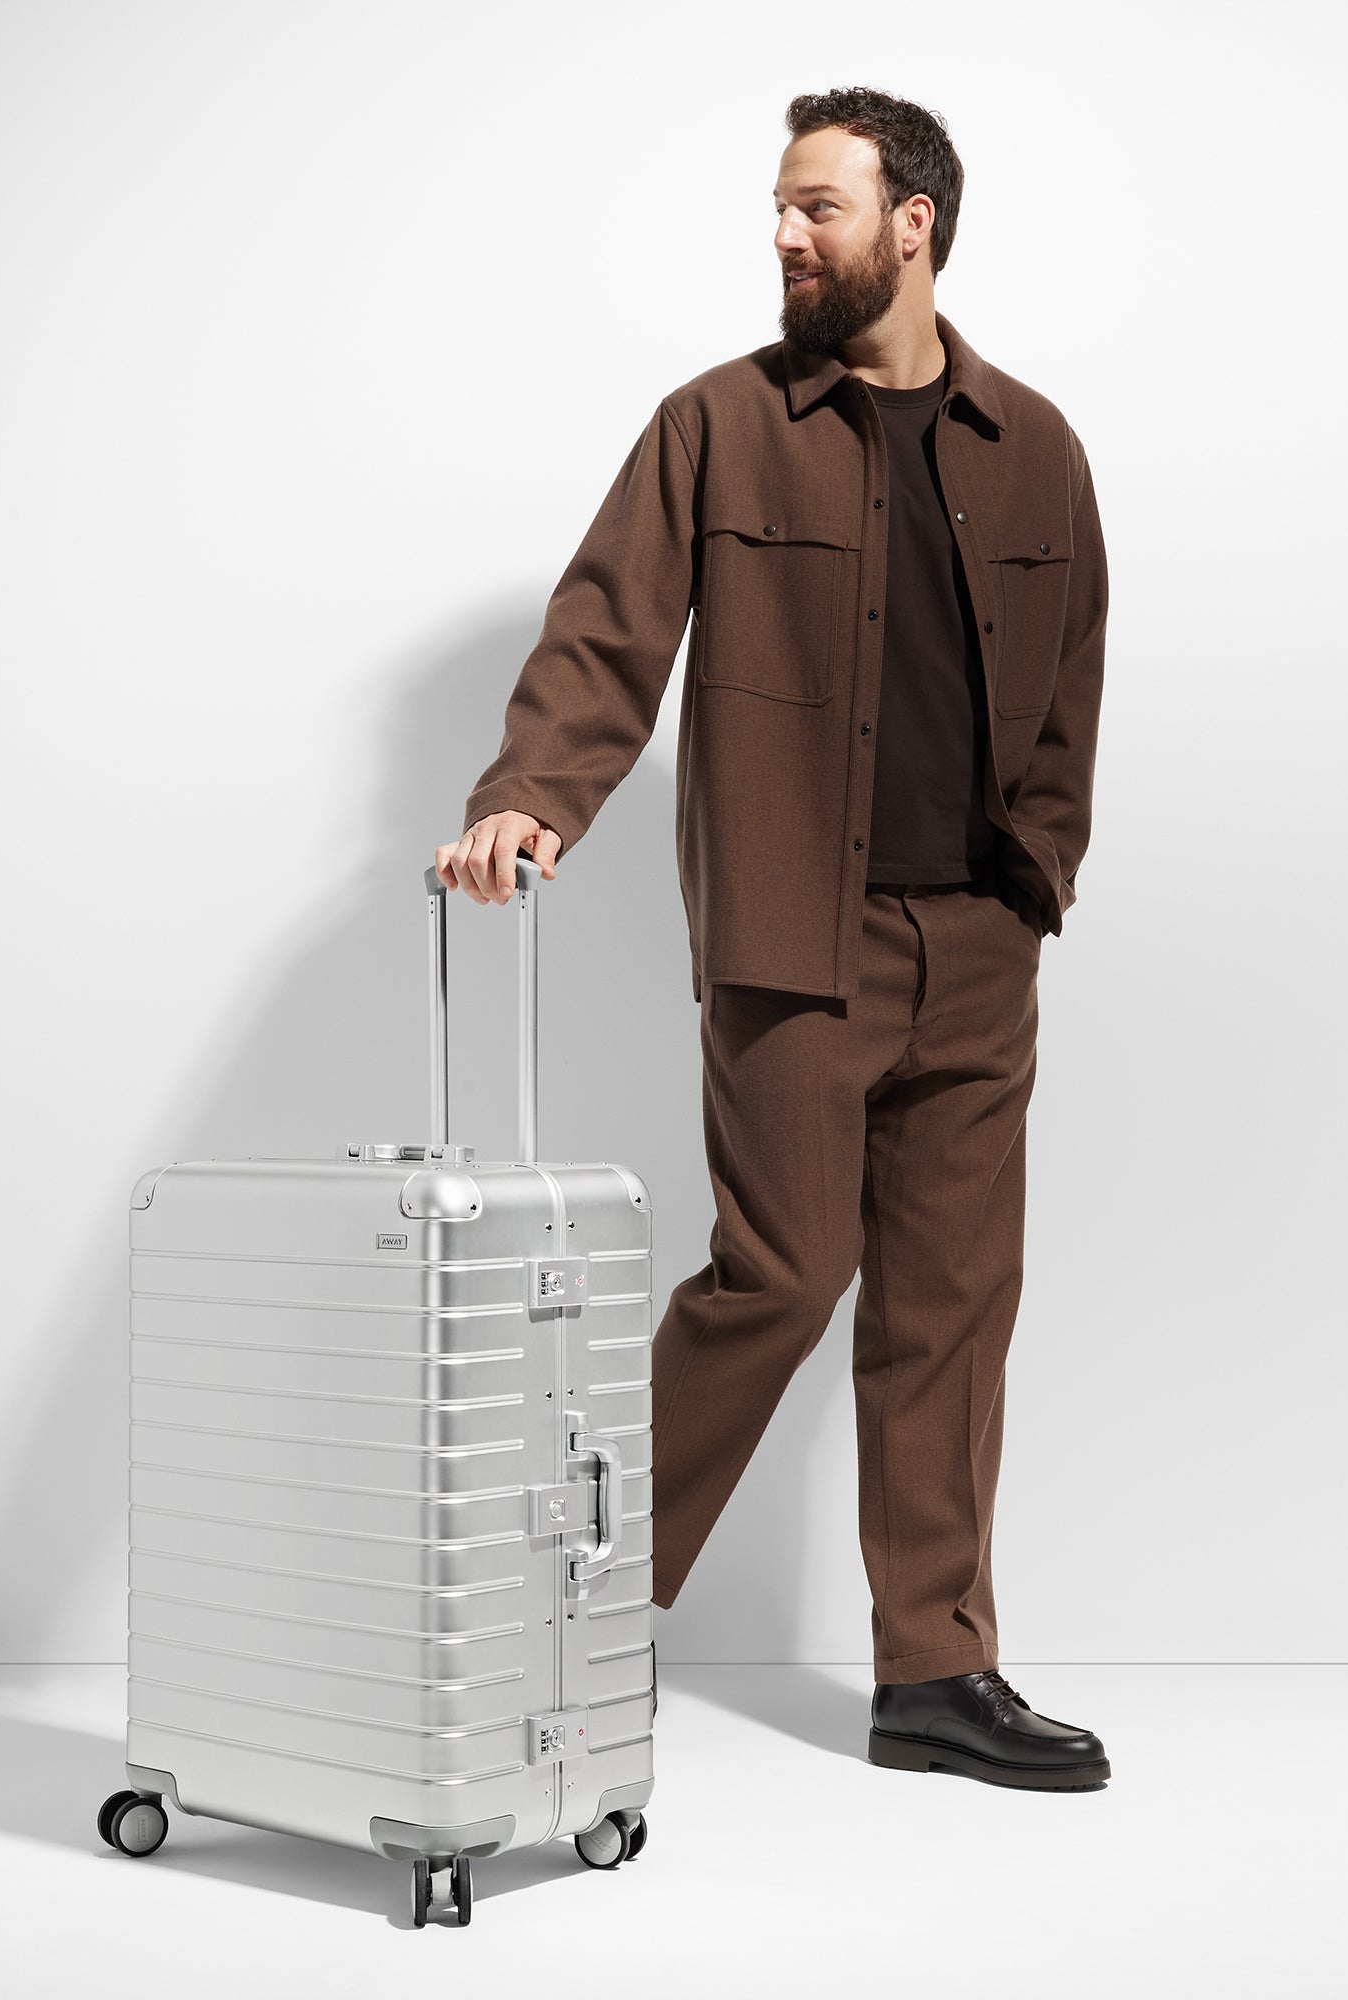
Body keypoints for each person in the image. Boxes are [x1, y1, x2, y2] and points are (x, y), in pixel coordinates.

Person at [433, 87, 1109, 1792]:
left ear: (916, 223)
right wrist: (534, 795)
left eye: (820, 207)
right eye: (782, 211)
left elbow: (1071, 681)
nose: (789, 237)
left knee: (952, 1309)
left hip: (979, 948)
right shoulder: (715, 428)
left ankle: (935, 1678)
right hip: (795, 943)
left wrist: (1036, 872)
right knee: (783, 1276)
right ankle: (566, 1617)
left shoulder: (1035, 447)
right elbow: (608, 632)